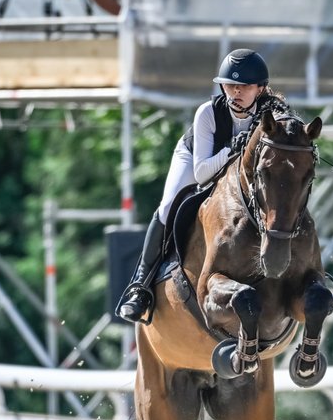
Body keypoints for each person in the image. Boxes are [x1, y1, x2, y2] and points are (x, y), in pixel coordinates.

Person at [115, 48, 288, 324]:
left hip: (236, 170)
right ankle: (141, 286)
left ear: (261, 89)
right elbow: (203, 173)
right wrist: (234, 148)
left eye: (243, 87)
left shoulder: (272, 114)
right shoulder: (207, 113)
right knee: (168, 205)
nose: (235, 92)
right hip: (196, 158)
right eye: (230, 85)